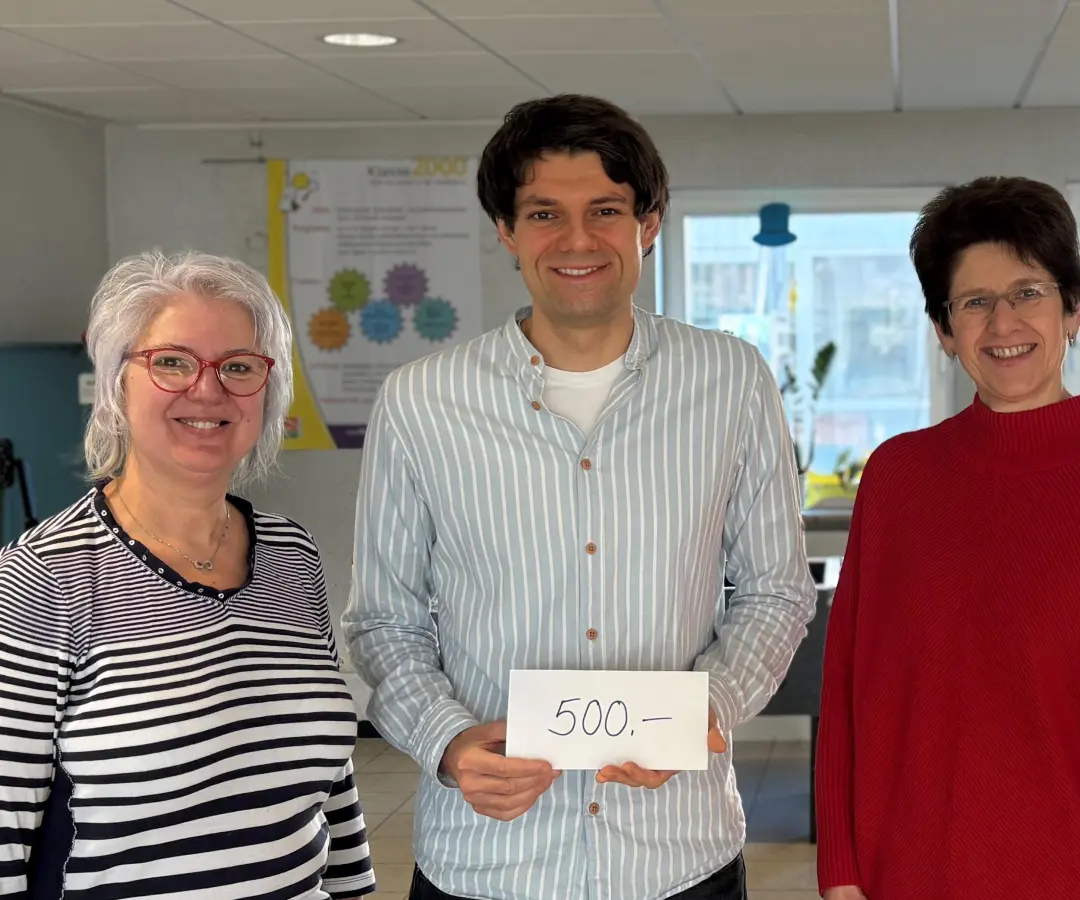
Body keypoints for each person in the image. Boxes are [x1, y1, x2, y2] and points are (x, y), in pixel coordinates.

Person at [342, 94, 816, 900]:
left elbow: (775, 591)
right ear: (506, 229)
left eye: (605, 209)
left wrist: (711, 709)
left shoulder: (731, 381)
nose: (576, 240)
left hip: (679, 854)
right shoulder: (421, 400)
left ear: (650, 222)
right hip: (487, 862)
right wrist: (448, 743)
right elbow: (383, 621)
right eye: (542, 213)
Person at [813, 176, 1080, 900]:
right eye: (974, 302)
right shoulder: (897, 479)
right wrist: (840, 870)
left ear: (1074, 310)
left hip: (1079, 880)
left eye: (1028, 292)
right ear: (943, 330)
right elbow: (847, 686)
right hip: (899, 877)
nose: (1003, 324)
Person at [0, 250, 376, 899]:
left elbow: (331, 777)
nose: (208, 390)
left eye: (239, 367)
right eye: (171, 361)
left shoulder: (292, 556)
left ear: (268, 389)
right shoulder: (40, 579)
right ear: (119, 381)